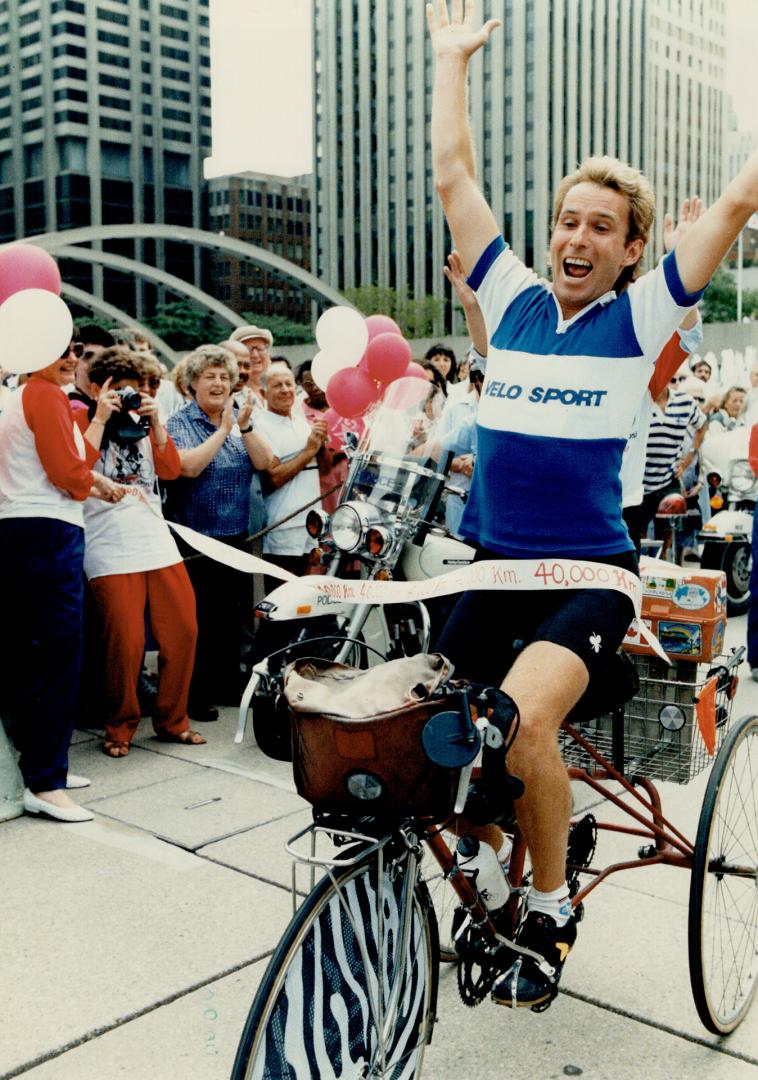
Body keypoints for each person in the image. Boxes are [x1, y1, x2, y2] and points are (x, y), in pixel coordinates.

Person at [427, 0, 758, 1009]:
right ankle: (492, 856)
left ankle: (552, 900)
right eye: (567, 219)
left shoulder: (639, 314)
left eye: (600, 227)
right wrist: (451, 62)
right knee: (435, 734)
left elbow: (735, 202)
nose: (576, 235)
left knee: (521, 720)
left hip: (588, 576)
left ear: (629, 249)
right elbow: (453, 177)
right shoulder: (513, 295)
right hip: (492, 565)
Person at [0, 338, 127, 822]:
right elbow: (66, 476)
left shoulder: (25, 396)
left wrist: (96, 482)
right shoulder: (44, 394)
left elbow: (71, 469)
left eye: (74, 348)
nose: (72, 357)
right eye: (60, 350)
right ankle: (45, 781)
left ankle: (44, 764)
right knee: (57, 656)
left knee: (40, 657)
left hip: (26, 531)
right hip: (47, 532)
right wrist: (88, 483)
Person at [76, 348, 205, 757]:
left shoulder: (144, 422)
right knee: (126, 642)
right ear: (98, 388)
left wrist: (157, 422)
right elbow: (73, 467)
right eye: (124, 387)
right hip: (107, 542)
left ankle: (172, 719)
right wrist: (98, 417)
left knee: (183, 629)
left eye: (143, 385)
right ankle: (120, 724)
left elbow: (168, 471)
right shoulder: (80, 418)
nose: (135, 393)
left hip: (154, 536)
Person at [165, 344, 273, 723]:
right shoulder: (179, 423)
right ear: (192, 382)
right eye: (210, 376)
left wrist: (242, 427)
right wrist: (223, 430)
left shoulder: (237, 422)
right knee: (198, 621)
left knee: (233, 618)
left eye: (225, 377)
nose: (219, 383)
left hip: (235, 536)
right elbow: (187, 468)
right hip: (195, 539)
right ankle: (195, 693)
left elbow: (265, 463)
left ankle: (227, 683)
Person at [254, 364, 328, 582]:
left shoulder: (301, 421)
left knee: (303, 596)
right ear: (263, 392)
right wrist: (309, 451)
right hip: (283, 526)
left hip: (311, 524)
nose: (285, 390)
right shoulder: (261, 425)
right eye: (277, 385)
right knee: (282, 595)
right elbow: (273, 478)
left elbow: (324, 469)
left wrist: (322, 445)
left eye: (289, 384)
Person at [299, 360, 348, 515]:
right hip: (321, 484)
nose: (314, 388)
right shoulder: (298, 413)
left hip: (349, 479)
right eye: (308, 384)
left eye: (317, 382)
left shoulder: (346, 404)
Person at [229, 324, 273, 410]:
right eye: (248, 349)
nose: (255, 355)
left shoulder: (280, 387)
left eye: (260, 348)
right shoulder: (230, 393)